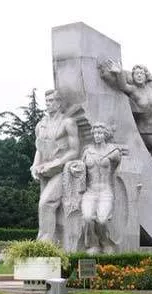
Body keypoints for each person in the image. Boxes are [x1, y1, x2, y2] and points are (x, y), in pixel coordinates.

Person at [31, 89, 80, 242]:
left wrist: (55, 164)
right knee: (45, 207)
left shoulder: (68, 122)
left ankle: (43, 243)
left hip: (60, 171)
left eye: (51, 101)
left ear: (59, 103)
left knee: (45, 203)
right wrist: (34, 165)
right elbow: (39, 148)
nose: (48, 104)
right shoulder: (41, 124)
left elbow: (75, 151)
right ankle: (53, 242)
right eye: (46, 101)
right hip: (44, 172)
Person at [100, 59, 152, 155]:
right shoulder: (133, 90)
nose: (139, 75)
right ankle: (146, 150)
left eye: (141, 73)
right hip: (143, 129)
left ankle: (149, 154)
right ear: (133, 76)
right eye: (136, 74)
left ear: (146, 76)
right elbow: (123, 86)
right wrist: (120, 73)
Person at [80, 123, 122, 254]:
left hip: (105, 191)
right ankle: (93, 244)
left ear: (105, 134)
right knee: (87, 218)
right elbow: (81, 170)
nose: (97, 136)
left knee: (102, 220)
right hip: (90, 191)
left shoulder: (113, 151)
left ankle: (105, 242)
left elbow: (123, 167)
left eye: (100, 133)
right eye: (95, 133)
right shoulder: (87, 151)